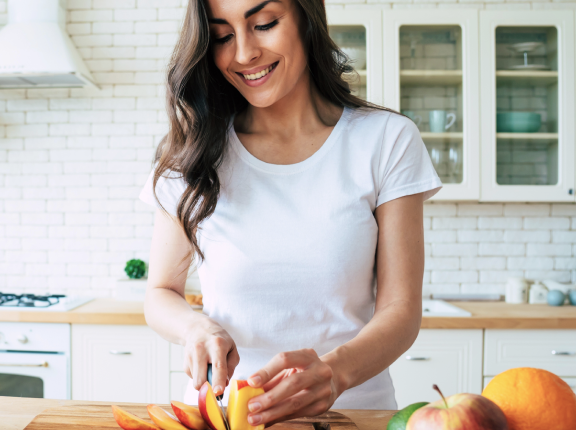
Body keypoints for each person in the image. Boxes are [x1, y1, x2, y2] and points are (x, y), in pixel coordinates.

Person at [139, 0, 441, 424]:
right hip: (224, 414)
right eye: (223, 36)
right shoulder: (192, 152)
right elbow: (160, 293)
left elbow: (401, 311)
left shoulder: (385, 140)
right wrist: (196, 329)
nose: (243, 54)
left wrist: (334, 374)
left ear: (306, 18)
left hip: (351, 413)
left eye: (264, 24)